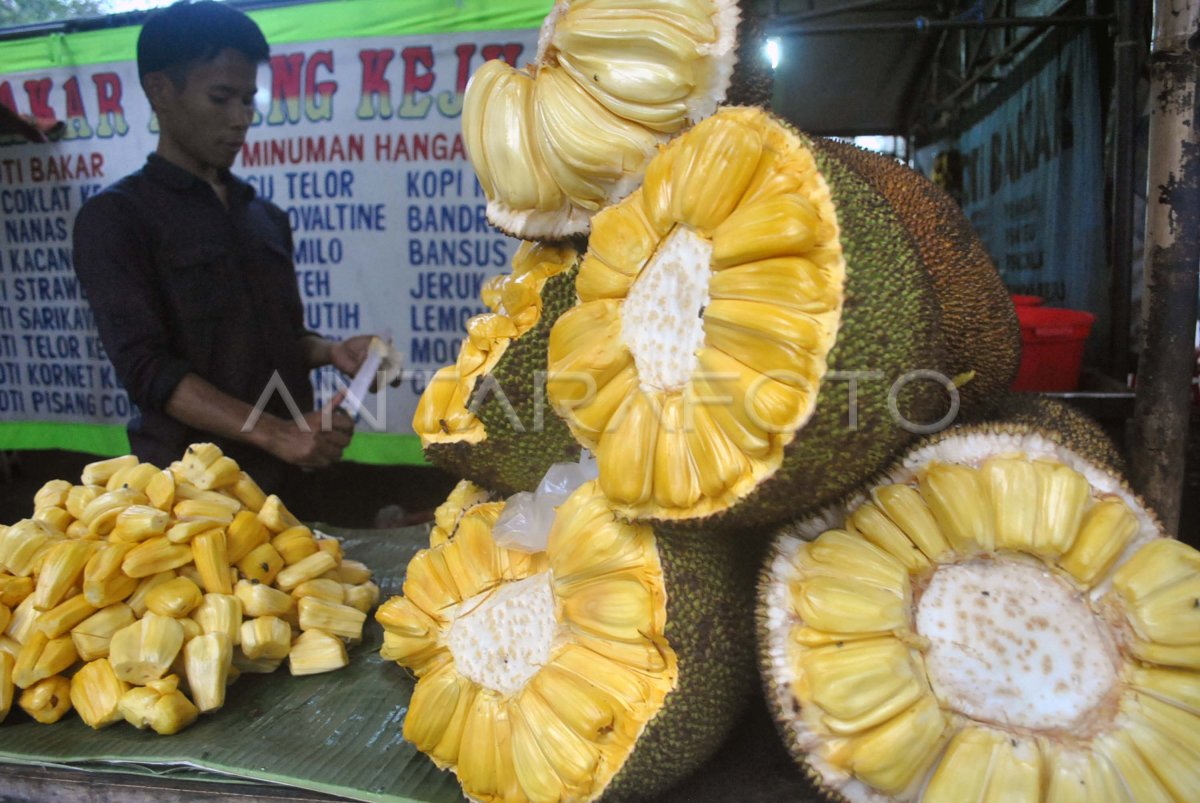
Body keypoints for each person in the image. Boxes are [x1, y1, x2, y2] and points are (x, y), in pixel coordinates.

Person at [73, 0, 379, 495]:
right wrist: (277, 432)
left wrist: (330, 351)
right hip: (191, 495)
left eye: (247, 99)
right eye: (220, 98)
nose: (240, 119)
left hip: (292, 484)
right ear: (160, 91)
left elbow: (274, 337)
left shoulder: (263, 216)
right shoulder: (117, 219)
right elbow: (147, 369)